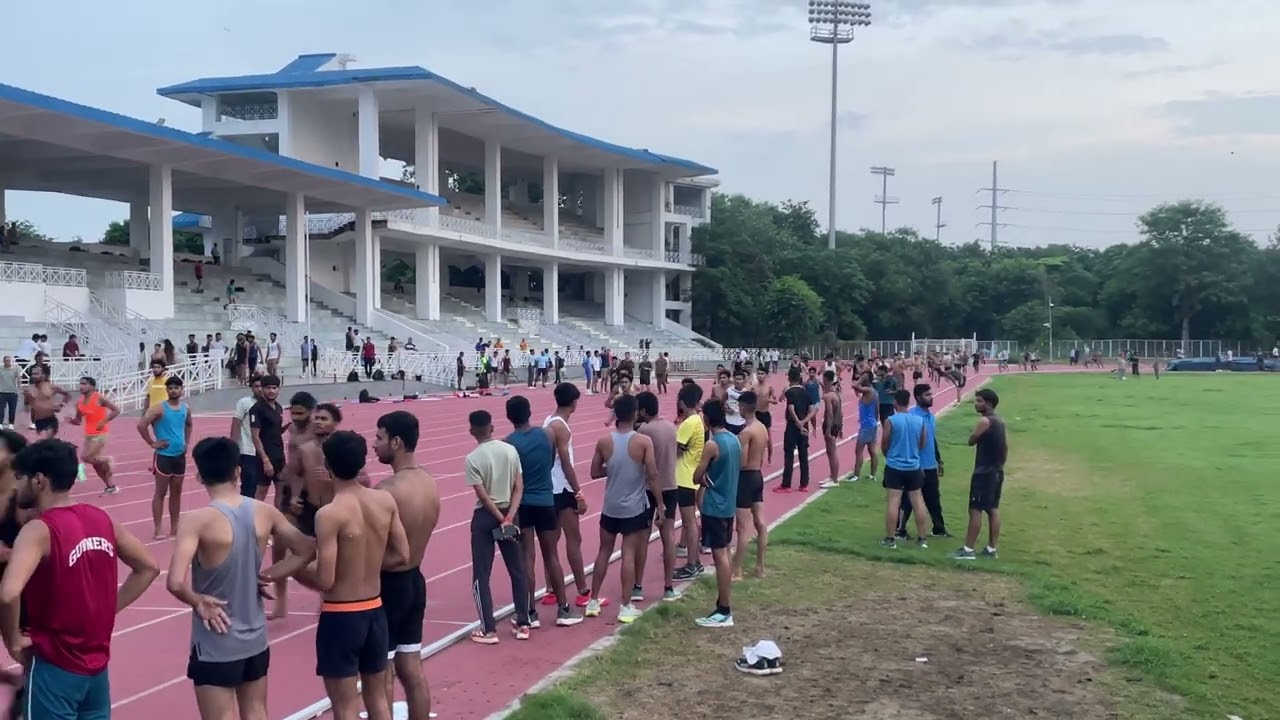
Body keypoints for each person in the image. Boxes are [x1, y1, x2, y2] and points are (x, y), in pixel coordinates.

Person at [0, 439, 160, 720]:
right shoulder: (102, 519)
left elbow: (8, 593)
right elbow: (148, 567)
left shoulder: (39, 529)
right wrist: (109, 608)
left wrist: (13, 640)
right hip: (96, 668)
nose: (16, 486)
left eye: (20, 477)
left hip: (54, 665)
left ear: (39, 481)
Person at [262, 431, 409, 720]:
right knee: (378, 699)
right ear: (361, 463)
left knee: (344, 707)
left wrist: (294, 566)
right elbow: (402, 555)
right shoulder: (384, 501)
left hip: (342, 614)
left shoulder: (329, 514)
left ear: (327, 466)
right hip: (376, 610)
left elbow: (325, 580)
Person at [168, 437, 315, 720]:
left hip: (215, 643)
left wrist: (197, 600)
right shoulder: (265, 511)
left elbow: (174, 582)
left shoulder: (196, 520)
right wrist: (268, 576)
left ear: (199, 476)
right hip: (255, 639)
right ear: (237, 471)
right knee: (257, 711)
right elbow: (306, 549)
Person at [372, 411, 441, 720]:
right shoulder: (428, 481)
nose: (374, 445)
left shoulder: (388, 491)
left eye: (379, 438)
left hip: (388, 585)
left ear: (396, 442)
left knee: (381, 670)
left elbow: (369, 547)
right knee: (411, 665)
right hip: (415, 579)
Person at [504, 396, 581, 629]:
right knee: (552, 556)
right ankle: (563, 609)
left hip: (523, 503)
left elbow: (511, 477)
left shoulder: (508, 443)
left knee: (527, 556)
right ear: (530, 412)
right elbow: (550, 463)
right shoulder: (547, 435)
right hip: (546, 500)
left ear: (509, 418)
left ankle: (529, 612)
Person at [584, 394, 660, 624]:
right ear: (636, 414)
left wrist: (614, 470)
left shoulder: (604, 441)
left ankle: (593, 600)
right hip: (633, 508)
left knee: (603, 552)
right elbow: (653, 475)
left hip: (610, 507)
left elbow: (595, 472)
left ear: (616, 414)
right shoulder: (643, 442)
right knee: (628, 554)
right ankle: (626, 606)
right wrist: (662, 505)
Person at [464, 410, 531, 643]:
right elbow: (519, 486)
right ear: (491, 428)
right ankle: (523, 623)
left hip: (485, 518)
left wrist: (499, 518)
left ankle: (489, 629)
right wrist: (509, 517)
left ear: (472, 430)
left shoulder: (472, 458)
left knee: (481, 574)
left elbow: (483, 496)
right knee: (517, 570)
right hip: (510, 513)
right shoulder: (510, 450)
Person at [542, 383, 596, 609]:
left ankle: (551, 590)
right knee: (574, 539)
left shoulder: (547, 422)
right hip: (562, 490)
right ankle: (583, 591)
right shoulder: (561, 427)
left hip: (548, 489)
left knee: (550, 543)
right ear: (574, 402)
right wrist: (579, 493)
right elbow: (565, 463)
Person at [689, 399, 740, 628]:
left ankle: (724, 610)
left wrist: (705, 477)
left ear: (707, 420)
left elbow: (696, 476)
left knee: (720, 557)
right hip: (728, 504)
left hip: (714, 507)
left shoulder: (713, 444)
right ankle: (723, 602)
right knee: (725, 553)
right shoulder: (734, 440)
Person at [950, 388, 1007, 561]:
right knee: (993, 509)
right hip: (997, 471)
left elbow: (971, 440)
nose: (976, 403)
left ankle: (968, 550)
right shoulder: (1000, 421)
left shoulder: (985, 421)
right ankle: (991, 549)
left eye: (979, 401)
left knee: (975, 509)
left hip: (984, 472)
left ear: (988, 403)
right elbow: (1005, 448)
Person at [635, 390, 681, 602]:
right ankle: (669, 586)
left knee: (642, 537)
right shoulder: (671, 428)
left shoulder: (644, 430)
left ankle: (637, 585)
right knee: (668, 536)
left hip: (647, 488)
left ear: (643, 410)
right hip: (670, 486)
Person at [138, 375, 192, 539]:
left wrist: (186, 443)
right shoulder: (159, 408)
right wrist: (152, 443)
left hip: (179, 456)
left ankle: (175, 527)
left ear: (182, 390)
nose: (173, 390)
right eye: (170, 388)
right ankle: (158, 528)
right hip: (163, 456)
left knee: (176, 492)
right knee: (160, 492)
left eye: (176, 387)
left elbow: (189, 424)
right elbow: (141, 425)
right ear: (167, 390)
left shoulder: (185, 408)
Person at [879, 389, 930, 549]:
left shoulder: (891, 421)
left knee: (894, 501)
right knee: (918, 501)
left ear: (895, 402)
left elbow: (884, 444)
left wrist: (891, 456)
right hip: (913, 466)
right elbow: (922, 444)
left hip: (895, 465)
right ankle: (922, 539)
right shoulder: (919, 421)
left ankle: (890, 539)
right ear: (909, 402)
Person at [898, 384, 948, 539]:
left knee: (933, 498)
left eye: (931, 394)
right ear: (918, 397)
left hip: (930, 465)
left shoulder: (931, 417)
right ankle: (899, 530)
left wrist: (938, 459)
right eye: (927, 395)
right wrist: (915, 464)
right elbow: (910, 443)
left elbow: (932, 439)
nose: (931, 397)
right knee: (907, 500)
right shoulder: (912, 416)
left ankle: (939, 529)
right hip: (915, 466)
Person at [731, 391, 769, 580]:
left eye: (739, 406)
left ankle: (737, 570)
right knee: (760, 523)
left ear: (743, 407)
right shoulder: (761, 427)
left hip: (746, 478)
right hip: (757, 476)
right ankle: (760, 567)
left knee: (742, 527)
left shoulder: (746, 433)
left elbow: (742, 462)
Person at [672, 383, 706, 580]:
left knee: (689, 523)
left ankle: (692, 564)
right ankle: (697, 562)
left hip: (684, 477)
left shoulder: (688, 423)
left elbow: (675, 449)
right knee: (690, 522)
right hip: (691, 474)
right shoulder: (698, 420)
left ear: (682, 402)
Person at [775, 367, 815, 493]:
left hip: (792, 426)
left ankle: (786, 484)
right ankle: (804, 484)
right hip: (804, 427)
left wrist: (798, 423)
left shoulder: (790, 392)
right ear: (800, 378)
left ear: (789, 379)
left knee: (789, 454)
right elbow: (813, 410)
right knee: (804, 455)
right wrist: (804, 423)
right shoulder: (806, 393)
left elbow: (791, 409)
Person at [248, 376, 286, 503]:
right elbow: (255, 436)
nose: (271, 391)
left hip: (279, 454)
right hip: (265, 456)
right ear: (262, 389)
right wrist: (265, 460)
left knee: (281, 488)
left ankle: (278, 518)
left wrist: (287, 427)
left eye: (274, 388)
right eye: (268, 388)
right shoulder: (257, 409)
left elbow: (274, 431)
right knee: (262, 490)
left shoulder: (279, 407)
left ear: (278, 389)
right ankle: (255, 520)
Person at [230, 377, 265, 499]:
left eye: (262, 386)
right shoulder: (245, 402)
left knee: (260, 485)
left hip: (263, 451)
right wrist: (233, 449)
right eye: (256, 386)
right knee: (248, 484)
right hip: (247, 450)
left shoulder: (270, 405)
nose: (260, 389)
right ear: (251, 388)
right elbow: (236, 423)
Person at [23, 364, 70, 438]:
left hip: (50, 419)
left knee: (47, 439)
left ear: (43, 375)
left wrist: (61, 405)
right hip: (38, 421)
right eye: (32, 374)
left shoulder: (51, 387)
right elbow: (26, 409)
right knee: (45, 444)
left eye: (36, 373)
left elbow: (67, 395)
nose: (34, 376)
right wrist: (29, 399)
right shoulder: (29, 389)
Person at [849, 378, 880, 483]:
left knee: (859, 450)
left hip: (867, 426)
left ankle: (856, 476)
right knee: (872, 451)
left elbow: (854, 386)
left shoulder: (869, 391)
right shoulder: (873, 393)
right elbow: (877, 410)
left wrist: (860, 380)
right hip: (872, 424)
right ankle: (872, 475)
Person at [817, 369, 844, 489]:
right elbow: (840, 413)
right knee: (829, 452)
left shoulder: (828, 396)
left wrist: (828, 431)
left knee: (832, 452)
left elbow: (830, 414)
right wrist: (840, 427)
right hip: (835, 425)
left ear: (826, 380)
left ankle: (834, 479)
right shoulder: (837, 394)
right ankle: (832, 475)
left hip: (830, 425)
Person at [0, 357, 19, 430]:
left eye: (8, 360)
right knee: (1, 408)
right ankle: (0, 423)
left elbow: (19, 380)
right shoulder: (0, 369)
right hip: (2, 392)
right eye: (6, 360)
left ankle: (11, 423)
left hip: (13, 392)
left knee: (12, 409)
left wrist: (19, 389)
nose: (7, 362)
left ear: (10, 361)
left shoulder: (15, 369)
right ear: (3, 361)